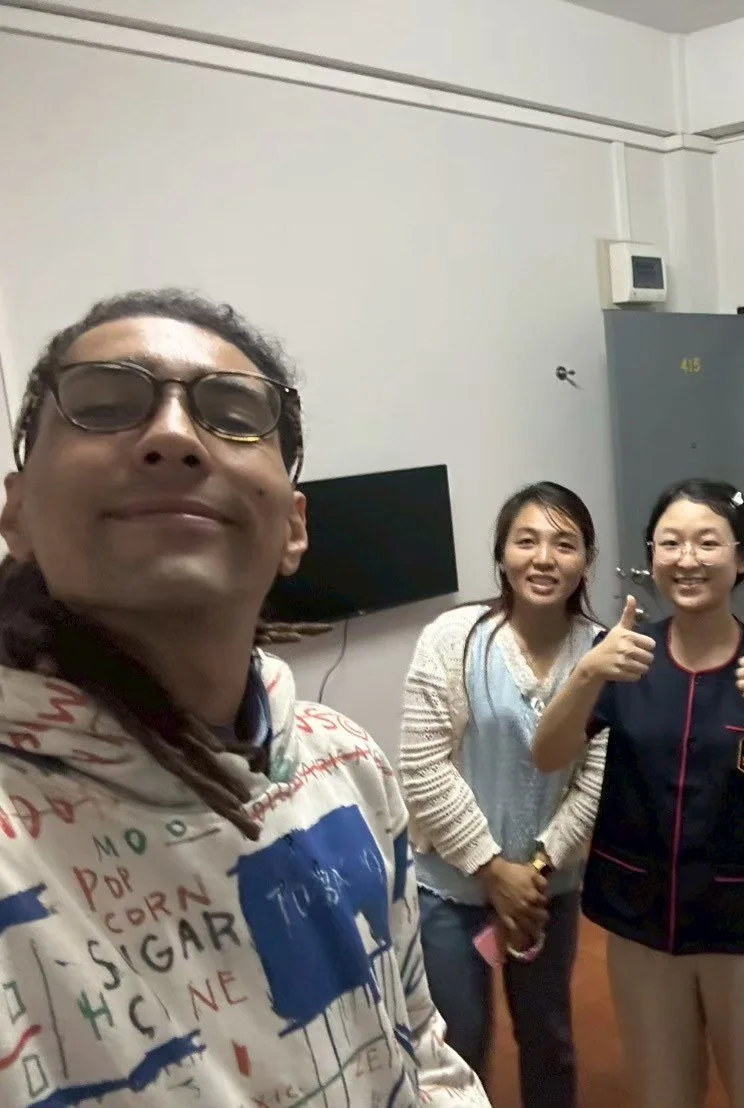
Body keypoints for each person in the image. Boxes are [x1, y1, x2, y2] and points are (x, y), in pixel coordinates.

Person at [0, 290, 488, 1108]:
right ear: (17, 509)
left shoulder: (348, 767)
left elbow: (422, 1051)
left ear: (295, 526)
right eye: (105, 405)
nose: (171, 437)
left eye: (230, 412)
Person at [533, 477, 744, 1108]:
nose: (688, 559)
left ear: (742, 558)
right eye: (669, 543)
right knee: (663, 1095)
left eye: (708, 543)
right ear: (651, 557)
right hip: (640, 920)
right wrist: (587, 673)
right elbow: (547, 754)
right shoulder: (622, 656)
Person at [399, 481, 606, 1103]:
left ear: (586, 561)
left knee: (549, 1036)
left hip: (548, 892)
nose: (544, 559)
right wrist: (494, 871)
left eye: (564, 544)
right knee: (457, 1041)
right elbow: (422, 766)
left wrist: (534, 871)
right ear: (502, 555)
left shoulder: (599, 655)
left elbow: (597, 779)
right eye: (527, 541)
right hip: (451, 889)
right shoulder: (452, 638)